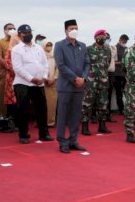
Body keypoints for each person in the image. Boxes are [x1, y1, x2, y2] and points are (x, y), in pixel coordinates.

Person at [11, 24, 53, 144]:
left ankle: (44, 134)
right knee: (22, 110)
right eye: (25, 33)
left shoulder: (38, 48)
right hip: (22, 84)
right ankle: (23, 135)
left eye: (29, 32)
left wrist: (44, 77)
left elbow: (45, 64)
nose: (28, 35)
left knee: (42, 109)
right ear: (19, 35)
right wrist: (32, 79)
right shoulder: (16, 49)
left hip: (39, 84)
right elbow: (17, 68)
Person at [53, 19, 90, 154]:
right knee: (63, 114)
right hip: (65, 86)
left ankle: (73, 140)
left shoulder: (83, 46)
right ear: (65, 31)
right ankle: (62, 141)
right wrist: (75, 78)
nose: (74, 30)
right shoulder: (59, 45)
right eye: (71, 29)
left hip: (79, 86)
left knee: (76, 115)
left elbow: (87, 64)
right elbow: (61, 65)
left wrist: (83, 78)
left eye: (76, 28)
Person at [81, 29, 112, 135]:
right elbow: (84, 65)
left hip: (103, 81)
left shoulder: (108, 50)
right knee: (87, 104)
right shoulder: (88, 49)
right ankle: (85, 126)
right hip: (90, 82)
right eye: (101, 37)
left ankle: (102, 125)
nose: (103, 39)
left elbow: (107, 64)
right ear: (96, 38)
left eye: (104, 38)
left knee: (103, 103)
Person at [0, 23, 15, 117]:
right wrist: (10, 68)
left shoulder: (18, 42)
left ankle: (14, 118)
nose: (11, 30)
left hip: (17, 75)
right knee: (3, 97)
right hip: (4, 74)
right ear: (4, 30)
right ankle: (3, 118)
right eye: (9, 28)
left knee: (16, 97)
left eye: (13, 28)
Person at [42, 39, 58, 127]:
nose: (49, 47)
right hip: (42, 82)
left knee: (52, 104)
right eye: (47, 45)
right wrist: (45, 78)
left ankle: (51, 122)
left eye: (50, 45)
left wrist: (54, 78)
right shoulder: (41, 56)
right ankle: (41, 122)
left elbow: (58, 69)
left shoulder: (54, 56)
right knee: (41, 104)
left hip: (53, 83)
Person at [113, 34, 129, 115]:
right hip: (117, 73)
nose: (125, 42)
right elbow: (112, 61)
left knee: (126, 92)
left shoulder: (127, 49)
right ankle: (121, 109)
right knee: (119, 92)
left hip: (125, 74)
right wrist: (121, 63)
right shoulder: (114, 48)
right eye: (124, 40)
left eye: (126, 41)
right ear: (120, 39)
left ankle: (127, 108)